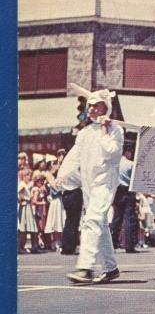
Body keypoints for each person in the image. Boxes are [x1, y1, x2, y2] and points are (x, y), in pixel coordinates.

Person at [59, 89, 125, 284]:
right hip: (88, 184)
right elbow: (75, 155)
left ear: (107, 108)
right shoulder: (85, 133)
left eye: (97, 105)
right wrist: (62, 174)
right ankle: (111, 268)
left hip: (105, 183)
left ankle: (85, 267)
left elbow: (112, 154)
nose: (92, 109)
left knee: (92, 220)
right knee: (100, 224)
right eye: (90, 105)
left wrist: (105, 131)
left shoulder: (116, 131)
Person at [110, 146, 138, 253]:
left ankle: (113, 243)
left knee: (116, 218)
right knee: (129, 218)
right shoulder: (130, 164)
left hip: (117, 190)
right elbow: (134, 179)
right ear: (127, 152)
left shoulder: (115, 164)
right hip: (127, 190)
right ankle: (129, 245)